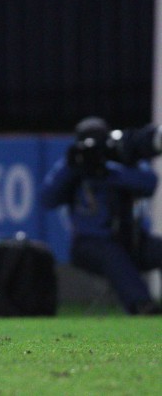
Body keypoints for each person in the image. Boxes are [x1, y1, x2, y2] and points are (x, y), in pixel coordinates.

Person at [41, 116, 162, 315]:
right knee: (113, 256)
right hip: (89, 244)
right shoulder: (74, 163)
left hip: (130, 239)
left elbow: (149, 182)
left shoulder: (119, 159)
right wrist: (73, 169)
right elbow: (46, 198)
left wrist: (108, 171)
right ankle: (142, 306)